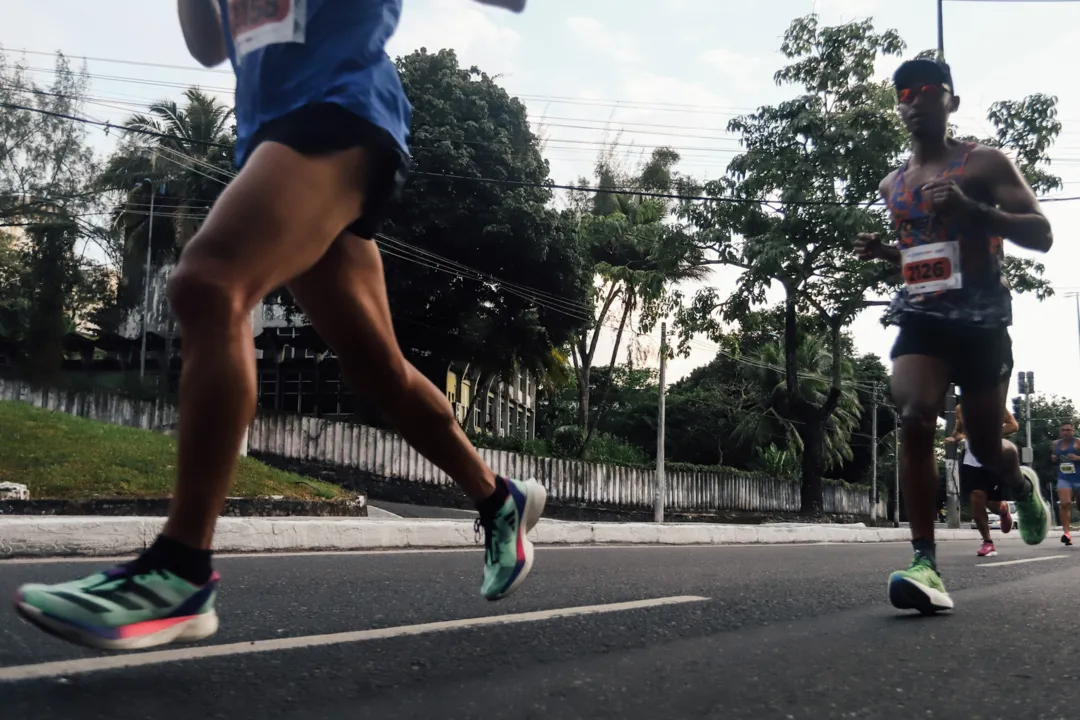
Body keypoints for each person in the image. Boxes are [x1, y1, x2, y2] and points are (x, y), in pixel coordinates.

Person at [12, 0, 544, 652]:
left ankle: (179, 571)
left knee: (208, 284)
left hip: (340, 118)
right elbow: (209, 45)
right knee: (377, 367)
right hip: (275, 139)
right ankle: (497, 499)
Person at [853, 57, 1052, 614]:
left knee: (987, 449)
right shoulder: (893, 184)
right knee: (915, 416)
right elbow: (927, 259)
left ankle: (1020, 481)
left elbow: (1042, 234)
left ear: (952, 102)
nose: (914, 100)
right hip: (922, 314)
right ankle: (925, 563)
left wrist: (972, 208)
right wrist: (888, 254)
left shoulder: (983, 163)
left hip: (984, 318)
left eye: (927, 90)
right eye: (904, 94)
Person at [948, 401, 1020, 556]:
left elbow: (1013, 425)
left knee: (994, 505)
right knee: (976, 498)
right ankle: (988, 542)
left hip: (992, 461)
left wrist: (990, 434)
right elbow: (959, 430)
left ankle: (1003, 510)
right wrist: (954, 438)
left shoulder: (995, 404)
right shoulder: (960, 408)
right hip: (971, 461)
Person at [1050, 421, 1080, 546]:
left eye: (1069, 430)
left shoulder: (1078, 442)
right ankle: (1066, 533)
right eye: (1063, 430)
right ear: (1060, 432)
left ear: (1073, 431)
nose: (1066, 432)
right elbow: (1053, 458)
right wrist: (1054, 459)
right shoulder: (1055, 444)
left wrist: (1078, 458)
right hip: (1064, 478)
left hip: (1079, 478)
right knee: (1065, 503)